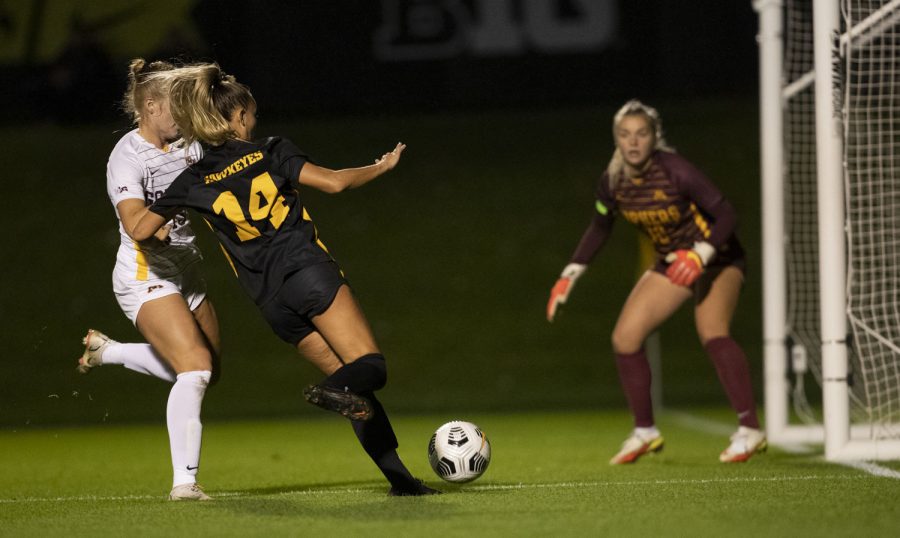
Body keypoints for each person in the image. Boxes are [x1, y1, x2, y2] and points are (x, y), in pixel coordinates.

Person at [130, 63, 439, 496]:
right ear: (237, 117)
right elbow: (332, 183)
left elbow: (141, 230)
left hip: (272, 303)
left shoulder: (193, 178)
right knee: (370, 369)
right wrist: (381, 167)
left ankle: (401, 481)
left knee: (356, 396)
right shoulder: (271, 151)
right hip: (309, 274)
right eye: (251, 114)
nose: (255, 120)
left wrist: (164, 227)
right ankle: (330, 390)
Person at [546, 99, 766, 464]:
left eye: (642, 134)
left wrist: (701, 254)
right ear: (616, 138)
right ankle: (645, 432)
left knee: (712, 330)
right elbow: (600, 226)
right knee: (626, 337)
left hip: (718, 256)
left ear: (654, 137)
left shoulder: (676, 170)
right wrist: (570, 273)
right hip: (672, 262)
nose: (633, 142)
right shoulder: (613, 181)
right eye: (625, 134)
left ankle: (750, 429)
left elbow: (726, 213)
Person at [77, 58, 222, 501]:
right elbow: (134, 219)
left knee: (206, 371)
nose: (183, 116)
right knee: (195, 367)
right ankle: (185, 483)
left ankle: (111, 352)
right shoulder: (126, 155)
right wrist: (155, 227)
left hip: (187, 269)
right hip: (145, 274)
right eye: (176, 107)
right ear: (151, 106)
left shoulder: (189, 146)